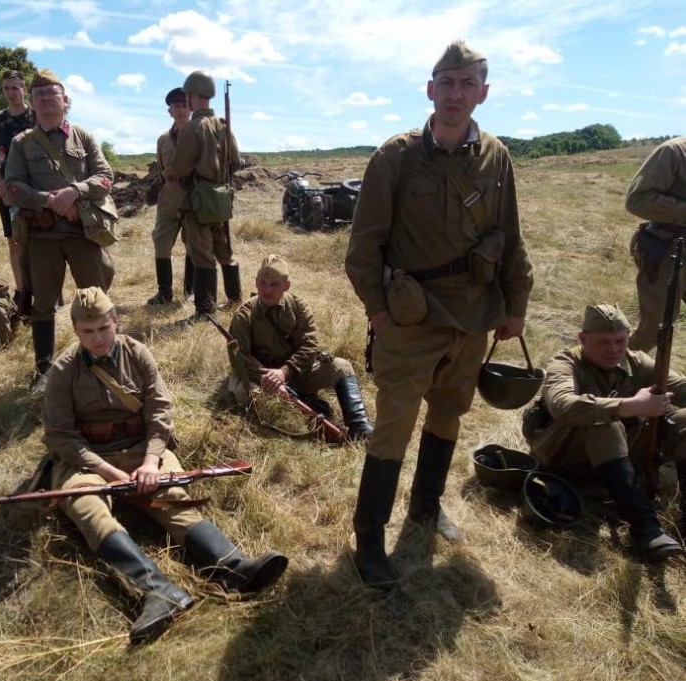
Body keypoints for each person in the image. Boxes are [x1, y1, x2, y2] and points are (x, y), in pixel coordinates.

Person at [345, 39, 534, 590]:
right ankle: (370, 537)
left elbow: (512, 237)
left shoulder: (496, 157)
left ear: (483, 92)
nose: (456, 93)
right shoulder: (396, 156)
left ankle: (426, 504)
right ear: (430, 90)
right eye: (446, 83)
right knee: (393, 426)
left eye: (467, 83)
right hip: (410, 316)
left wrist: (515, 305)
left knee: (449, 412)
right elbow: (363, 247)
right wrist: (379, 314)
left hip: (473, 314)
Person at [43, 287, 288, 643]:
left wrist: (149, 462)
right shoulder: (64, 370)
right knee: (87, 508)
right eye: (88, 331)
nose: (97, 338)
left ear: (116, 321)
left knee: (172, 496)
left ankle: (234, 569)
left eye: (103, 328)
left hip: (143, 448)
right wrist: (108, 472)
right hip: (89, 459)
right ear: (76, 330)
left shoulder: (137, 353)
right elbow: (60, 435)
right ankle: (158, 592)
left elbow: (160, 412)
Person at [525, 304, 685, 561]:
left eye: (620, 341)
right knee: (605, 425)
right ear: (583, 339)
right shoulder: (564, 363)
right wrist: (630, 406)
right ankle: (645, 528)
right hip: (563, 457)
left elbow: (681, 387)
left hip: (618, 458)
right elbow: (564, 406)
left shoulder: (636, 361)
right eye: (603, 342)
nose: (613, 350)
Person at [5, 69, 115, 391]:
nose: (45, 99)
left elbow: (105, 176)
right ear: (32, 102)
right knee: (42, 304)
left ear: (65, 100)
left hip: (83, 234)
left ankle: (103, 363)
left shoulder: (84, 137)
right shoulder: (22, 143)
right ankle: (44, 371)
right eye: (38, 95)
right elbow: (13, 186)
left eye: (52, 93)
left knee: (95, 299)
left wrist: (75, 191)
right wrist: (49, 200)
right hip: (42, 237)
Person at [227, 254, 374, 440]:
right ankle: (307, 410)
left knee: (341, 367)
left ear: (286, 285)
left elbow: (309, 347)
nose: (267, 290)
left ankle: (359, 426)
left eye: (274, 284)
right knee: (248, 395)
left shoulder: (298, 307)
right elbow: (240, 358)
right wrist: (271, 380)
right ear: (256, 282)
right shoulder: (244, 315)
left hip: (293, 373)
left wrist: (284, 373)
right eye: (263, 283)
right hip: (260, 378)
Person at [163, 70, 242, 318]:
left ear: (191, 95)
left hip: (197, 200)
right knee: (225, 253)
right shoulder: (224, 126)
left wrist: (170, 171)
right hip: (221, 198)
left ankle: (205, 311)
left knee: (202, 256)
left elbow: (181, 168)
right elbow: (236, 161)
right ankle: (235, 299)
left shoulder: (192, 127)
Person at [624, 136, 686, 352]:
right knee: (655, 331)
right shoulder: (673, 152)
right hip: (667, 250)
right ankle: (610, 367)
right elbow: (638, 200)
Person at [0, 68, 34, 304]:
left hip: (35, 189)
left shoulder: (36, 116)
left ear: (24, 89)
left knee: (41, 243)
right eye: (6, 88)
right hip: (8, 191)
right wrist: (2, 189)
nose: (11, 92)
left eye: (15, 87)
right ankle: (22, 292)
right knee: (14, 243)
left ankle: (50, 294)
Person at [146, 87, 195, 305]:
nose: (181, 110)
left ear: (191, 108)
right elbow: (160, 168)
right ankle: (164, 292)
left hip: (193, 199)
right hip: (169, 200)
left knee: (193, 244)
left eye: (184, 105)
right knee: (161, 242)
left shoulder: (201, 136)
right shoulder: (163, 140)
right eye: (176, 106)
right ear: (170, 111)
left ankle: (190, 291)